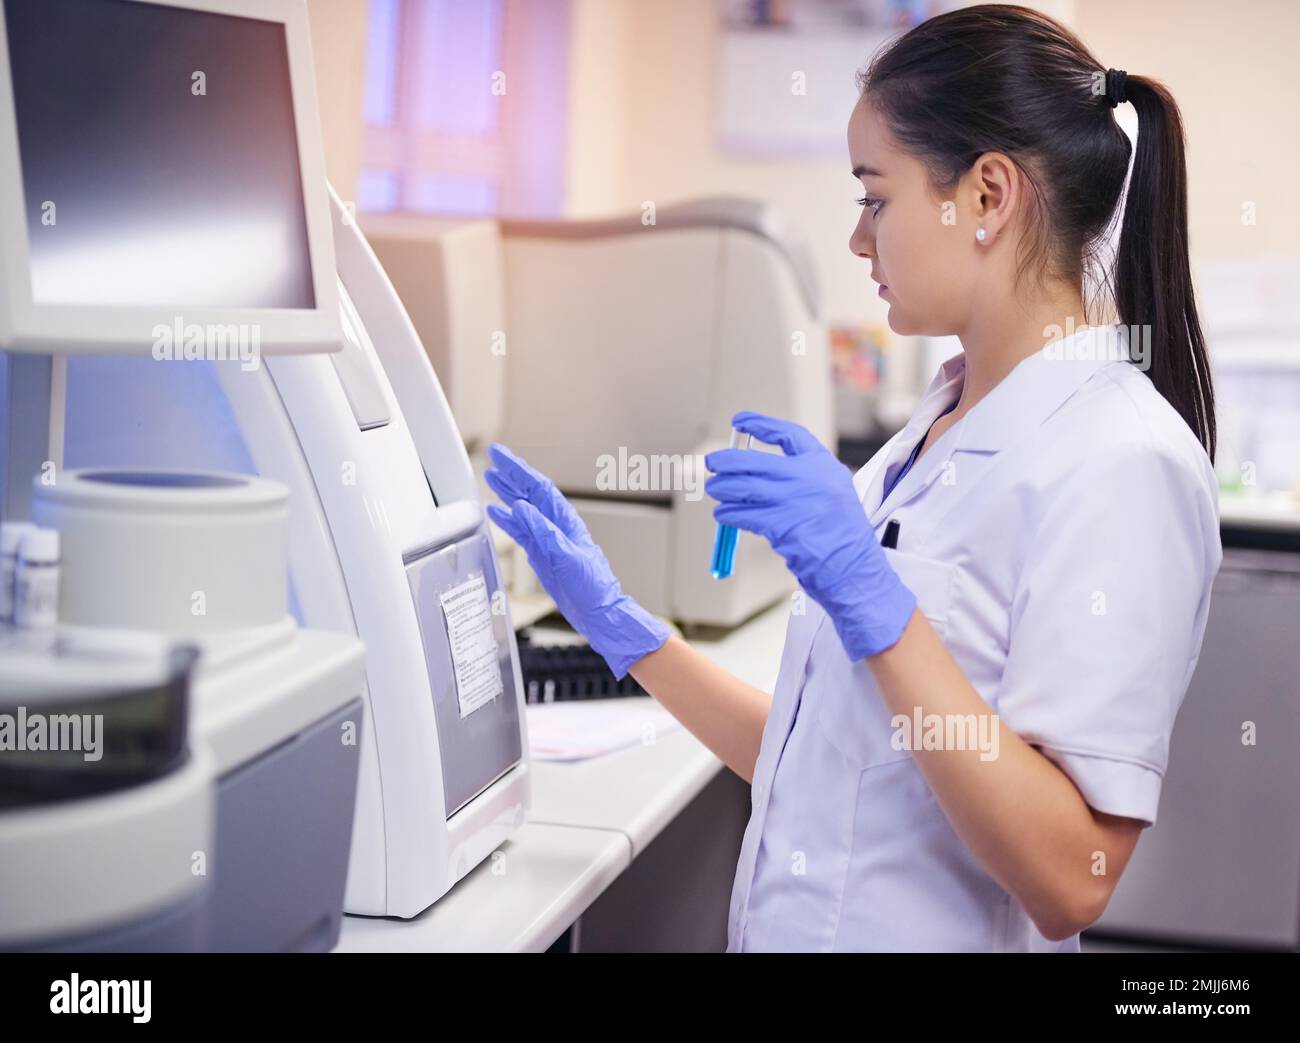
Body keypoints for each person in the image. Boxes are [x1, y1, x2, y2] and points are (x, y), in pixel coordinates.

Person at [484, 3, 1221, 951]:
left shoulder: (1121, 462)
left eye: (876, 197)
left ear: (988, 196)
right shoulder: (930, 435)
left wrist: (873, 596)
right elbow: (833, 764)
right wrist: (628, 634)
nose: (858, 239)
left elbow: (1071, 877)